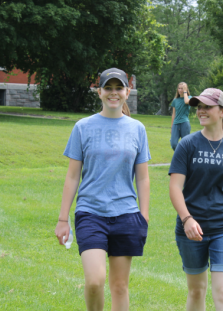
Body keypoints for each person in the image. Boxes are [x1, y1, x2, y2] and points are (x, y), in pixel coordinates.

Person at [55, 67, 151, 311]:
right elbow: (72, 176)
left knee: (119, 286)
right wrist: (62, 219)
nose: (113, 93)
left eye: (119, 88)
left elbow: (142, 178)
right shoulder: (82, 127)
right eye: (108, 88)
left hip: (127, 215)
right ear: (99, 92)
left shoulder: (137, 128)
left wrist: (144, 216)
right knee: (95, 281)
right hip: (91, 213)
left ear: (127, 92)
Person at [168, 88, 223, 311]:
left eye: (207, 107)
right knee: (196, 291)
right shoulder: (188, 145)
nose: (201, 111)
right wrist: (187, 219)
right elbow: (175, 187)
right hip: (191, 229)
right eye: (199, 107)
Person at [170, 82, 191, 150]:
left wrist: (185, 92)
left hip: (184, 123)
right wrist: (171, 127)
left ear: (186, 89)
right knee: (173, 144)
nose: (180, 90)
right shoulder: (175, 100)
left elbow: (186, 102)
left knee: (186, 144)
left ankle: (184, 158)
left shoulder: (190, 98)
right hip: (176, 124)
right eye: (179, 88)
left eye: (182, 88)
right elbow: (173, 114)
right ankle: (180, 155)